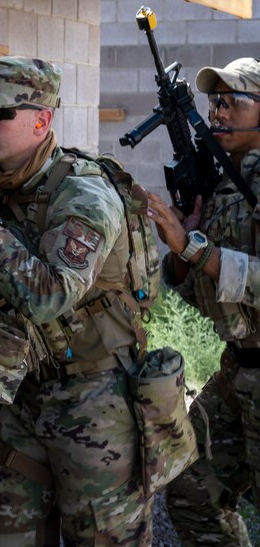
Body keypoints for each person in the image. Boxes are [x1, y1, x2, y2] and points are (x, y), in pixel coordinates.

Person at [0, 57, 152, 545]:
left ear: (41, 120)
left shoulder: (84, 192)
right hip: (21, 394)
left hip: (96, 399)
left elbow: (47, 297)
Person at [148, 57, 260, 545]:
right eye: (214, 102)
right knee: (192, 490)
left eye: (232, 102)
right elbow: (198, 294)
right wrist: (183, 247)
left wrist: (197, 248)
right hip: (237, 370)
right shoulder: (222, 187)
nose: (218, 112)